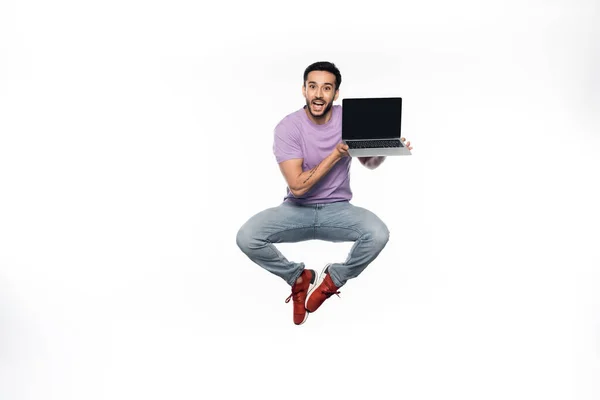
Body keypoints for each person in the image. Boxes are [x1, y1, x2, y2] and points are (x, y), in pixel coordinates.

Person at [236, 61, 413, 325]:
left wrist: (385, 146)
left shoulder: (348, 118)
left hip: (338, 211)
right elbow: (297, 185)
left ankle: (333, 279)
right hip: (296, 210)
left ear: (336, 93)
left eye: (326, 88)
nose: (319, 94)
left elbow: (370, 163)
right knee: (247, 237)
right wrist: (335, 155)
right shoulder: (288, 127)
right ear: (304, 90)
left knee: (378, 234)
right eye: (313, 87)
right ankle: (298, 278)